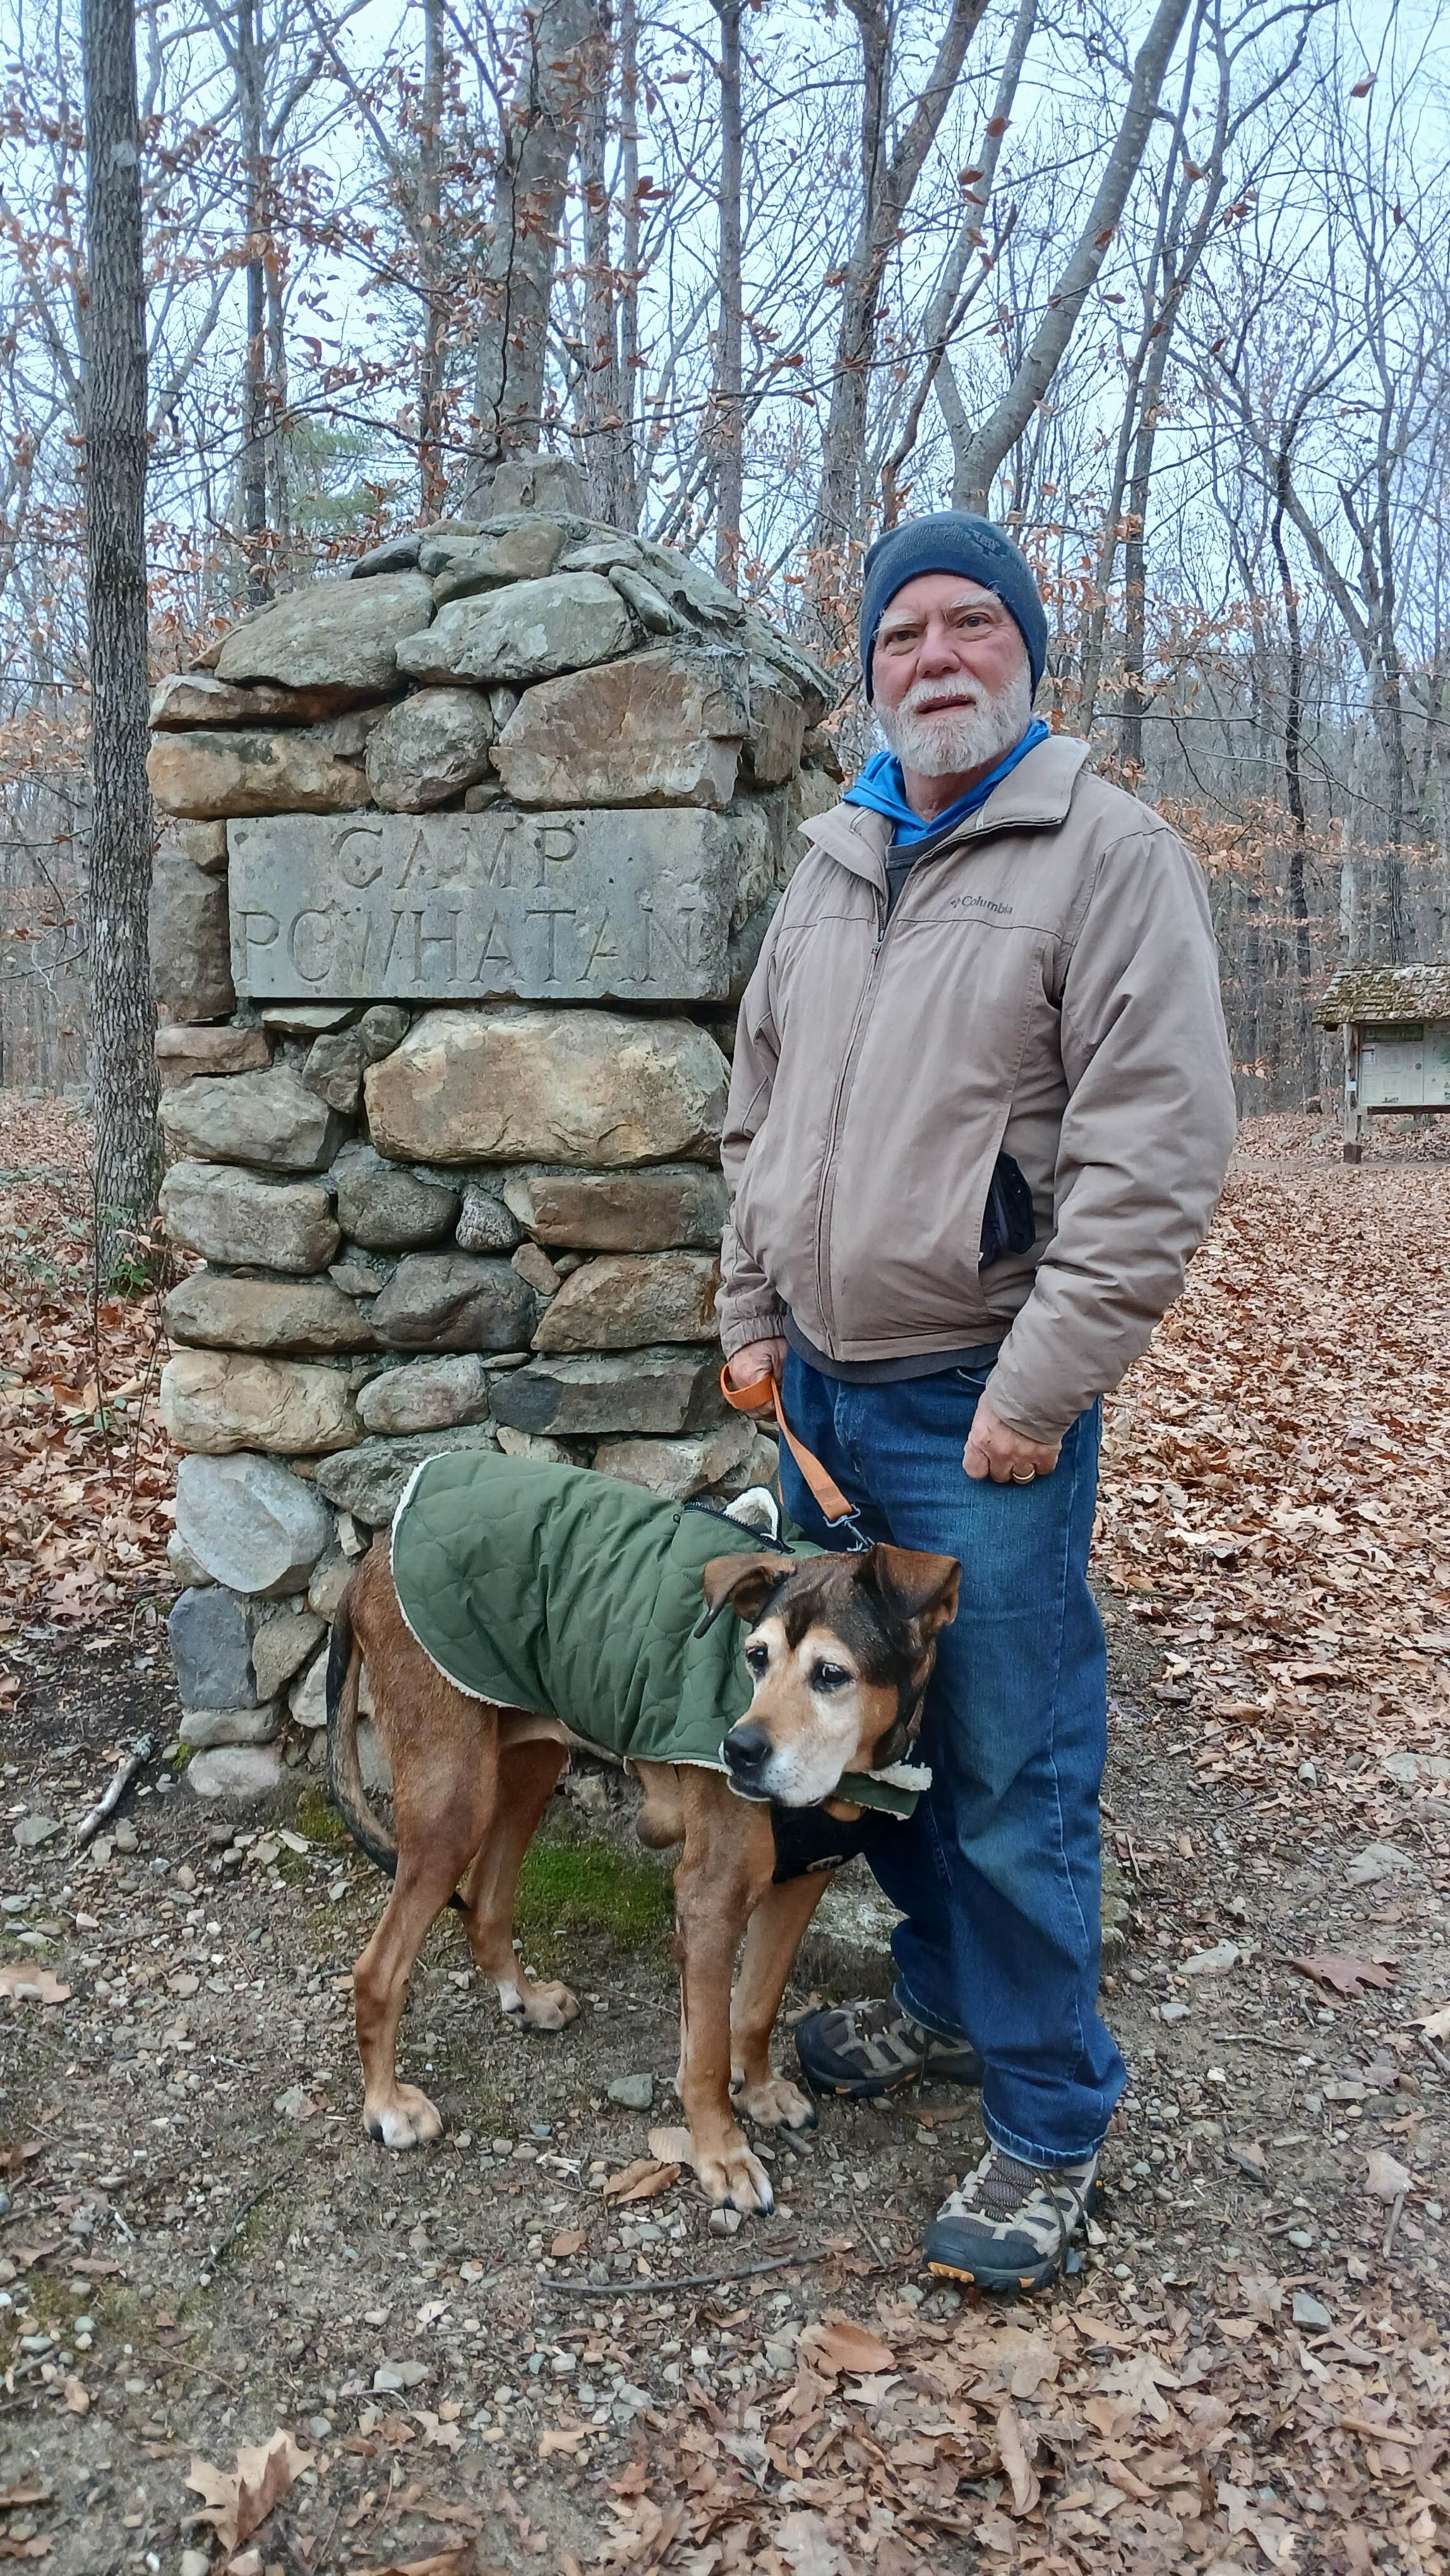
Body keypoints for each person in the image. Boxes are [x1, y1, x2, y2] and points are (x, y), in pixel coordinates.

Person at [718, 510, 1237, 2291]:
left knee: (1009, 1765)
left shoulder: (1106, 854)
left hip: (979, 1413)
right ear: (870, 670)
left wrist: (1036, 1393)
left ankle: (1049, 2113)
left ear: (1025, 650)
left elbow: (1156, 1154)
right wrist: (747, 1309)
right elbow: (762, 1108)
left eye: (968, 626)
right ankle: (946, 1997)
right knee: (875, 1761)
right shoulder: (837, 854)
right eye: (902, 635)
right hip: (825, 1410)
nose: (934, 656)